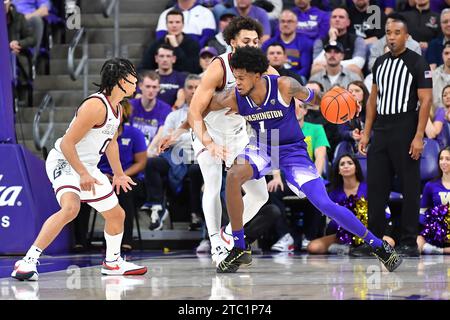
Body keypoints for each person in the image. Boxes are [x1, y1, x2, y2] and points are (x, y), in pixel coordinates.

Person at [202, 46, 402, 273]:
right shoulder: (235, 97)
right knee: (234, 175)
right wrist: (191, 130)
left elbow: (317, 99)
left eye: (240, 77)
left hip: (292, 151)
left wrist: (343, 103)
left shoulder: (284, 86)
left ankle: (378, 246)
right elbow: (203, 104)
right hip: (262, 147)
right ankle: (239, 247)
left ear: (257, 75)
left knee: (325, 204)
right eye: (234, 77)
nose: (236, 82)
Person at [11, 58, 147, 281]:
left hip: (87, 166)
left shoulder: (118, 109)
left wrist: (120, 173)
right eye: (133, 79)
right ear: (121, 81)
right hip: (65, 160)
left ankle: (112, 262)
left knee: (116, 215)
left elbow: (111, 143)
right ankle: (27, 261)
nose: (136, 83)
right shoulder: (95, 106)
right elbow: (67, 143)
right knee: (71, 208)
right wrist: (82, 173)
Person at [161, 17, 274, 267]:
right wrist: (208, 143)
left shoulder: (260, 65)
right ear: (233, 42)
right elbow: (194, 112)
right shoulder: (219, 67)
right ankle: (216, 244)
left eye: (256, 41)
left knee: (260, 194)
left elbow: (282, 87)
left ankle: (226, 233)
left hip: (238, 135)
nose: (252, 45)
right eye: (246, 41)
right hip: (208, 131)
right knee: (212, 184)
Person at [359, 14, 433, 258]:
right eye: (388, 33)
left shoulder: (417, 62)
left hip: (406, 126)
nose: (391, 37)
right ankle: (375, 241)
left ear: (406, 36)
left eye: (396, 33)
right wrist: (366, 133)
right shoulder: (379, 63)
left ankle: (409, 241)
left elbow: (425, 101)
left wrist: (419, 135)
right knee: (376, 189)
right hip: (381, 128)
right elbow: (372, 100)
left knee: (410, 187)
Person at [307, 154, 395, 254]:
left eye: (350, 163)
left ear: (356, 168)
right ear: (339, 171)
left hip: (368, 233)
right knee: (313, 247)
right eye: (342, 164)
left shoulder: (370, 189)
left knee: (389, 242)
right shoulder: (333, 193)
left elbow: (382, 213)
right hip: (342, 234)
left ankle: (353, 250)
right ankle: (350, 249)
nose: (346, 166)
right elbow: (330, 220)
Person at [417, 147, 450, 255]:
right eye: (441, 159)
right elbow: (422, 211)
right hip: (439, 230)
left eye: (448, 159)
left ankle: (437, 251)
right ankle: (442, 251)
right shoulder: (430, 185)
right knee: (417, 242)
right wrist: (430, 224)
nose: (443, 162)